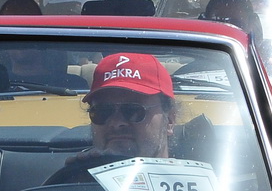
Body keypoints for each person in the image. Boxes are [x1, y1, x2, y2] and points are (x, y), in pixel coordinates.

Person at [47, 52, 177, 183]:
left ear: (170, 121)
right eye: (102, 112)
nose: (116, 122)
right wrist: (77, 185)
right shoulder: (77, 181)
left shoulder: (188, 187)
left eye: (133, 110)